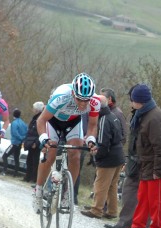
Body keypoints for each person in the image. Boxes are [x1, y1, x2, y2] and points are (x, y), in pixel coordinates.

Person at [32, 73, 100, 213]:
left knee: (75, 155)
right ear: (73, 93)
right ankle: (38, 192)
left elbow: (93, 125)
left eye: (86, 100)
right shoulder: (61, 97)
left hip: (73, 122)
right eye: (79, 99)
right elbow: (41, 120)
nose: (82, 103)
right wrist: (44, 138)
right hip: (53, 122)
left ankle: (67, 194)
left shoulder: (95, 103)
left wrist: (91, 140)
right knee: (50, 155)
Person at [120, 84, 161, 228]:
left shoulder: (154, 118)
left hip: (156, 166)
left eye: (132, 100)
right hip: (146, 164)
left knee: (156, 200)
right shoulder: (144, 114)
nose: (131, 103)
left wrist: (158, 171)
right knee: (143, 197)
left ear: (140, 101)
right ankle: (137, 226)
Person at [81, 95, 125, 219]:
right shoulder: (113, 116)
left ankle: (96, 210)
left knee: (100, 184)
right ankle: (112, 211)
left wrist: (97, 155)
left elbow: (103, 143)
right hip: (118, 155)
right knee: (112, 185)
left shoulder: (104, 119)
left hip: (109, 158)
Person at [105, 86, 140, 228]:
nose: (130, 103)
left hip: (137, 160)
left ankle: (127, 223)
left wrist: (132, 157)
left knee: (128, 189)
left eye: (132, 100)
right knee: (123, 188)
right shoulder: (137, 114)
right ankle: (127, 222)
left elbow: (125, 135)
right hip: (133, 157)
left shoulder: (117, 114)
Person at [1, 108, 28, 176]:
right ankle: (15, 173)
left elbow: (15, 133)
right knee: (16, 158)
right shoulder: (23, 123)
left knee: (5, 156)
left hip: (14, 143)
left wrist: (19, 138)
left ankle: (4, 170)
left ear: (13, 114)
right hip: (19, 144)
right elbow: (26, 132)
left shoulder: (14, 123)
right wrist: (22, 139)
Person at [22, 102, 45, 183]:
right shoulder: (34, 118)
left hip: (35, 143)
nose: (33, 110)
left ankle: (34, 178)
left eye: (34, 108)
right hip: (30, 142)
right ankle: (27, 176)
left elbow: (41, 131)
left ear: (37, 109)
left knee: (35, 162)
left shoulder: (41, 118)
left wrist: (37, 143)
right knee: (29, 160)